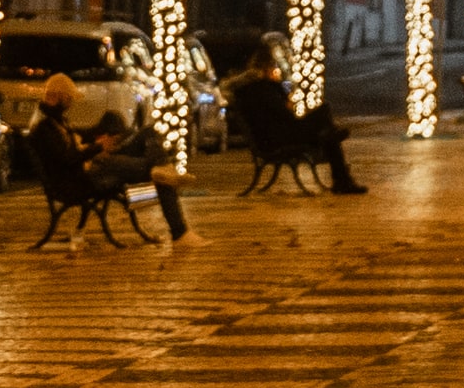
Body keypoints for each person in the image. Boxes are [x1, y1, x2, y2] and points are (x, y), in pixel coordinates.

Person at [230, 42, 367, 192]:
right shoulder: (265, 88)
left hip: (273, 137)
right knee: (324, 114)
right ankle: (342, 178)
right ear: (267, 67)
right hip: (279, 139)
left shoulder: (249, 90)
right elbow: (285, 116)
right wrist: (285, 100)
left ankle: (341, 174)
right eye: (274, 66)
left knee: (329, 135)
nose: (276, 70)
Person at [85, 106, 196, 247]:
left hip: (106, 158)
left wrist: (104, 142)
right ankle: (180, 233)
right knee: (159, 174)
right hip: (98, 167)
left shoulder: (61, 125)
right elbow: (72, 158)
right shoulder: (50, 129)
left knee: (148, 131)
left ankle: (162, 167)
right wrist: (98, 148)